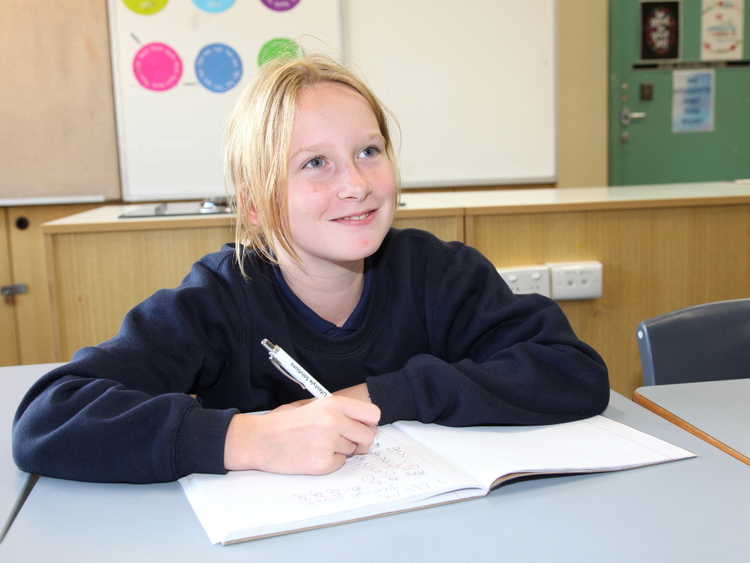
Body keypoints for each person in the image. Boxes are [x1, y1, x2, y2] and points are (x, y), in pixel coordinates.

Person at [12, 50, 609, 484]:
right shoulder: (218, 299)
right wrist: (243, 437)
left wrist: (377, 395)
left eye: (369, 151)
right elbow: (48, 417)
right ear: (255, 201)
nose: (356, 184)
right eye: (315, 163)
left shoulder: (437, 271)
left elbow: (572, 371)